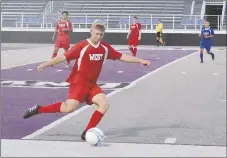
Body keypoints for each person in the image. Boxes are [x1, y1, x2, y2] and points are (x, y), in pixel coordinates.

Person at [23, 20, 151, 141]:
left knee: (104, 103)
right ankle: (39, 109)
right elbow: (63, 57)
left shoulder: (105, 47)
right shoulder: (82, 46)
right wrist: (45, 64)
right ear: (91, 31)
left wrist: (140, 60)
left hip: (91, 84)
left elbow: (121, 56)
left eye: (101, 34)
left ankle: (87, 132)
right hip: (78, 82)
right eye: (96, 33)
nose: (98, 36)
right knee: (69, 108)